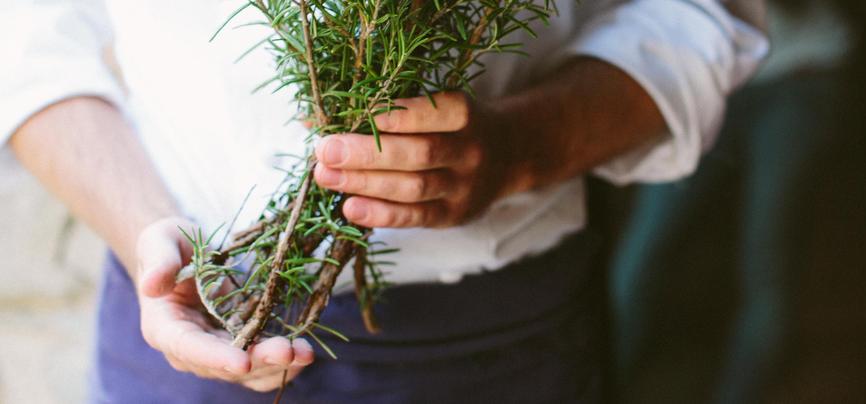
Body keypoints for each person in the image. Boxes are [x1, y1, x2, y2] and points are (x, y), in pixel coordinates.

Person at [1, 0, 766, 402]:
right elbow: (23, 35)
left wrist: (524, 147)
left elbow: (700, 13)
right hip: (180, 314)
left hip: (497, 343)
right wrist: (149, 239)